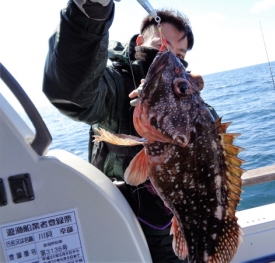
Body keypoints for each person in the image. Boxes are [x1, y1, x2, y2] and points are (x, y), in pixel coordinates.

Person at [43, 0, 219, 262]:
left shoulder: (190, 102)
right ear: (139, 41)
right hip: (121, 229)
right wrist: (92, 10)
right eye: (162, 47)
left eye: (179, 56)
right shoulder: (113, 87)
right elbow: (72, 93)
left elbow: (215, 161)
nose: (169, 57)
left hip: (178, 229)